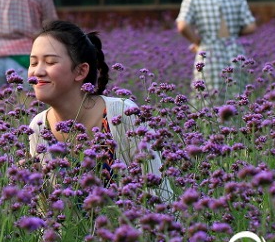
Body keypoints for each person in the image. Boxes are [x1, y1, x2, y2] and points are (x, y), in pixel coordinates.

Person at [27, 20, 173, 202]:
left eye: (50, 62)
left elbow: (159, 193)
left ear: (80, 71)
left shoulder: (122, 113)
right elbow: (46, 211)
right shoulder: (39, 127)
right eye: (33, 63)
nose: (37, 72)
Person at [175, 0, 257, 103]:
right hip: (235, 53)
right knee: (236, 100)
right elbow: (251, 26)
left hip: (208, 55)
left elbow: (182, 26)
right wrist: (232, 34)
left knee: (207, 102)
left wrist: (198, 42)